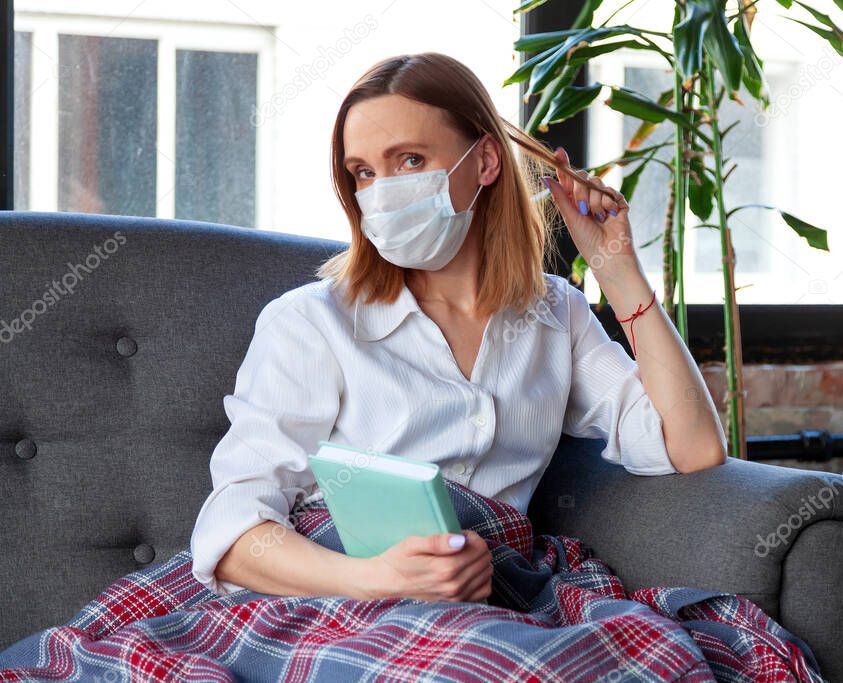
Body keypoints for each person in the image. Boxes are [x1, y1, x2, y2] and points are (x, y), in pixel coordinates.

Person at [189, 52, 727, 605]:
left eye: (411, 159)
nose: (381, 191)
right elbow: (231, 534)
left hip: (495, 589)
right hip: (336, 593)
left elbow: (692, 447)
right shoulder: (309, 322)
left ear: (487, 161)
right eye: (364, 172)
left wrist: (616, 269)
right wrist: (384, 580)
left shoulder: (556, 313)